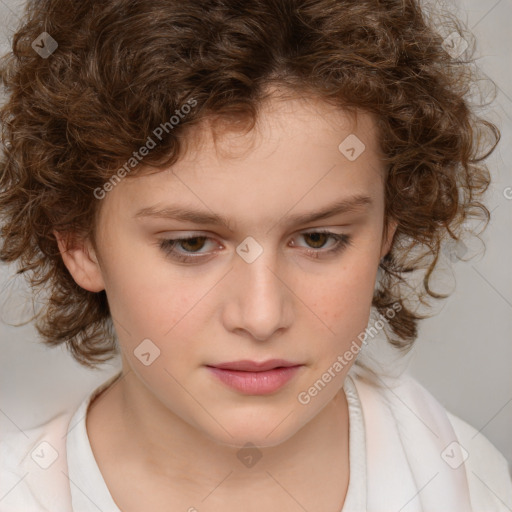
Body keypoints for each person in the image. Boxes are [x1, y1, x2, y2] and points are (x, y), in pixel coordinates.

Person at [0, 0, 510, 510]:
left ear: (386, 231)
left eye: (318, 239)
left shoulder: (468, 481)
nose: (262, 317)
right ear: (79, 244)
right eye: (191, 244)